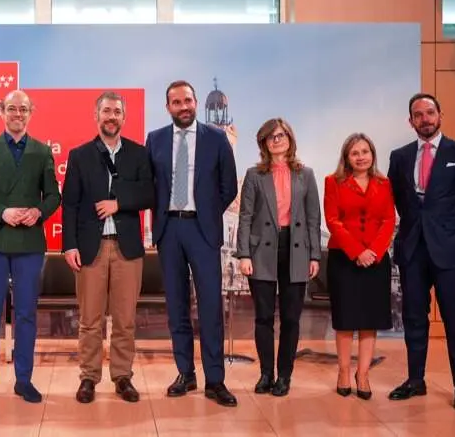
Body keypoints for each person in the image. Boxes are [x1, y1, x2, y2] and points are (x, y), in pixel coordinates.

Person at [387, 93, 455, 411]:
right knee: (414, 317)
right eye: (418, 114)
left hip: (450, 252)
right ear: (411, 120)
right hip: (413, 249)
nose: (425, 118)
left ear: (440, 115)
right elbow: (397, 199)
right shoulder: (399, 156)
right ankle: (416, 380)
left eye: (430, 112)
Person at [0, 90, 61, 409]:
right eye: (11, 109)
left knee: (26, 315)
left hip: (30, 242)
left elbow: (53, 196)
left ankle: (24, 380)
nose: (17, 114)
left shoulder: (42, 151)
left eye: (23, 109)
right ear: (1, 112)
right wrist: (1, 213)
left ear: (31, 113)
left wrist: (39, 212)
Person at [145, 80, 239, 407]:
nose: (183, 106)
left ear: (196, 102)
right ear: (168, 107)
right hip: (169, 230)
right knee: (177, 308)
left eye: (187, 100)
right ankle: (185, 373)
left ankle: (215, 379)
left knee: (211, 307)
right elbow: (150, 186)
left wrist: (208, 214)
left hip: (202, 231)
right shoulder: (155, 140)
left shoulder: (216, 139)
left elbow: (228, 186)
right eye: (176, 102)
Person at [62, 91, 154, 404]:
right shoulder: (80, 155)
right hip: (91, 248)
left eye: (117, 111)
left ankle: (122, 376)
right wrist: (69, 245)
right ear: (96, 116)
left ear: (124, 118)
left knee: (125, 320)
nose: (111, 116)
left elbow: (150, 195)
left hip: (127, 247)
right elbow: (70, 204)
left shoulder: (139, 155)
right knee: (89, 320)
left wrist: (118, 204)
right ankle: (88, 377)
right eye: (106, 111)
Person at [236, 118, 321, 397]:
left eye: (281, 135)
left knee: (291, 319)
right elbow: (245, 216)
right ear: (264, 143)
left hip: (296, 250)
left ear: (290, 138)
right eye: (271, 137)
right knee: (263, 317)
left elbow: (312, 218)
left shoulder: (305, 174)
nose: (277, 140)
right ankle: (265, 374)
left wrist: (314, 256)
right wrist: (244, 253)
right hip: (261, 252)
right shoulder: (254, 174)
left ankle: (284, 376)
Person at [324, 133, 395, 400]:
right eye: (355, 153)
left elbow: (388, 219)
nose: (361, 156)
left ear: (372, 155)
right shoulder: (333, 182)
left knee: (370, 321)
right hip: (344, 259)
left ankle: (363, 374)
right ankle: (343, 372)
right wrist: (356, 251)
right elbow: (333, 220)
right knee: (345, 320)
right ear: (347, 157)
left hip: (376, 260)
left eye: (365, 151)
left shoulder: (384, 183)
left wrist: (374, 252)